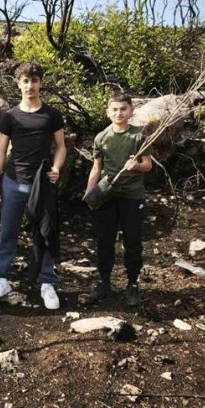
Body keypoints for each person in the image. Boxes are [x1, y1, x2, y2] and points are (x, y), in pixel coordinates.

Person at [0, 61, 66, 310]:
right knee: (7, 233)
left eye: (34, 80)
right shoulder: (10, 116)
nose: (30, 85)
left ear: (40, 83)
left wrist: (56, 168)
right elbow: (1, 151)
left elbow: (61, 147)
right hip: (12, 181)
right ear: (18, 83)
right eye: (25, 81)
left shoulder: (51, 115)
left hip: (42, 183)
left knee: (45, 233)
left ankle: (47, 282)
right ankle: (1, 279)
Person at [84, 93, 152, 306]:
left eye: (123, 109)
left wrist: (137, 166)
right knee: (104, 240)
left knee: (133, 242)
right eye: (114, 109)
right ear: (108, 112)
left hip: (132, 196)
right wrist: (90, 193)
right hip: (107, 196)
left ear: (131, 110)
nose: (119, 113)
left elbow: (148, 165)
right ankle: (104, 282)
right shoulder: (101, 137)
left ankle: (132, 285)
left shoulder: (139, 136)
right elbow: (96, 168)